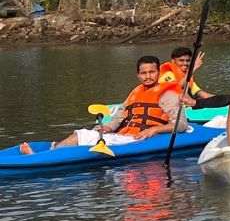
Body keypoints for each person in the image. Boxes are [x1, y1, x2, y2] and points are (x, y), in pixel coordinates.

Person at [21, 56, 185, 154]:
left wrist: (154, 129)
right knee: (89, 133)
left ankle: (42, 156)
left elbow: (181, 124)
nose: (148, 76)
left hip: (137, 139)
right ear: (138, 75)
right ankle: (55, 148)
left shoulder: (168, 95)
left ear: (158, 72)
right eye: (143, 73)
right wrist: (107, 127)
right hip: (123, 135)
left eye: (152, 72)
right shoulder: (135, 92)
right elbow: (120, 116)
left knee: (80, 136)